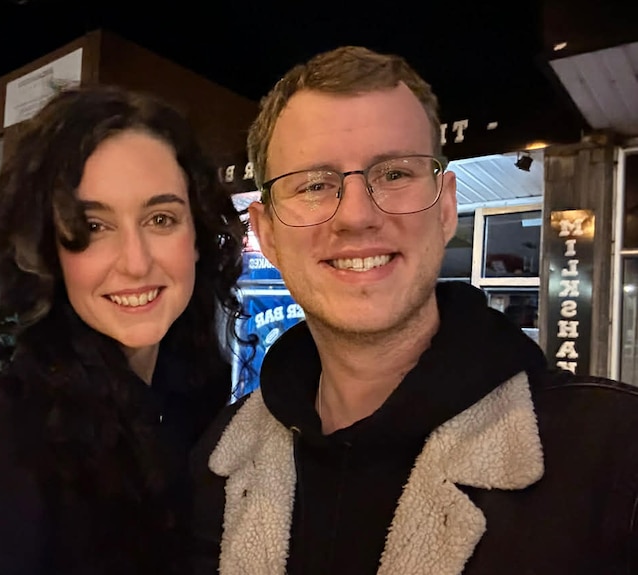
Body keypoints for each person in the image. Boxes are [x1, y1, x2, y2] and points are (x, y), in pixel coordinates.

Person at [190, 46, 638, 574]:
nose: (356, 215)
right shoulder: (218, 461)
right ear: (265, 233)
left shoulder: (614, 457)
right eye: (314, 185)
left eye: (395, 174)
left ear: (446, 207)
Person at [0, 84, 247, 575]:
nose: (136, 262)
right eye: (93, 227)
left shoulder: (204, 405)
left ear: (196, 236)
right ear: (48, 251)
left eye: (161, 218)